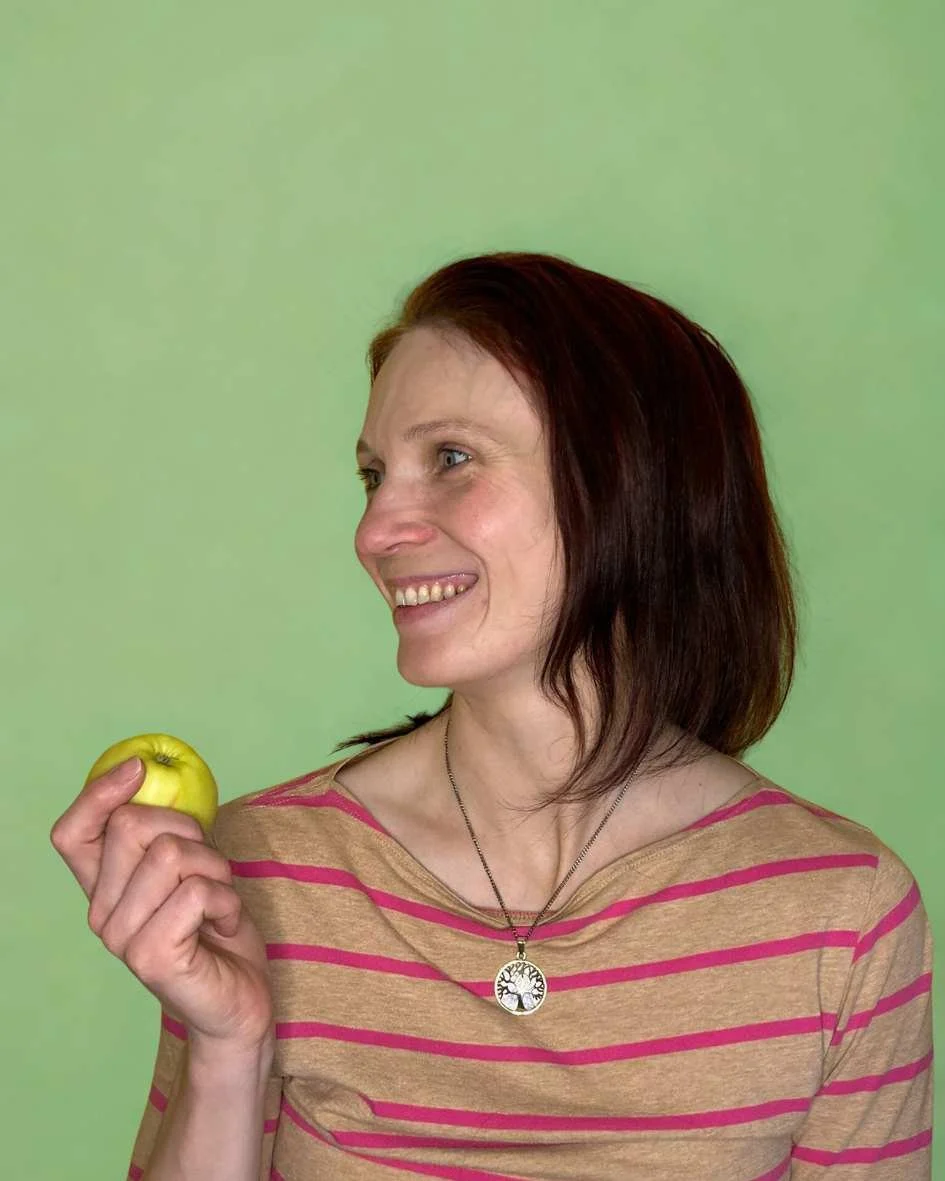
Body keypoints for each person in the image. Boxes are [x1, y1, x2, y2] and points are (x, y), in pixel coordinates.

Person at [51, 252, 933, 1180]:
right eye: (372, 475)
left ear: (629, 482)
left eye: (451, 459)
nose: (374, 531)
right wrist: (230, 1050)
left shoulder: (839, 915)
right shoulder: (265, 868)